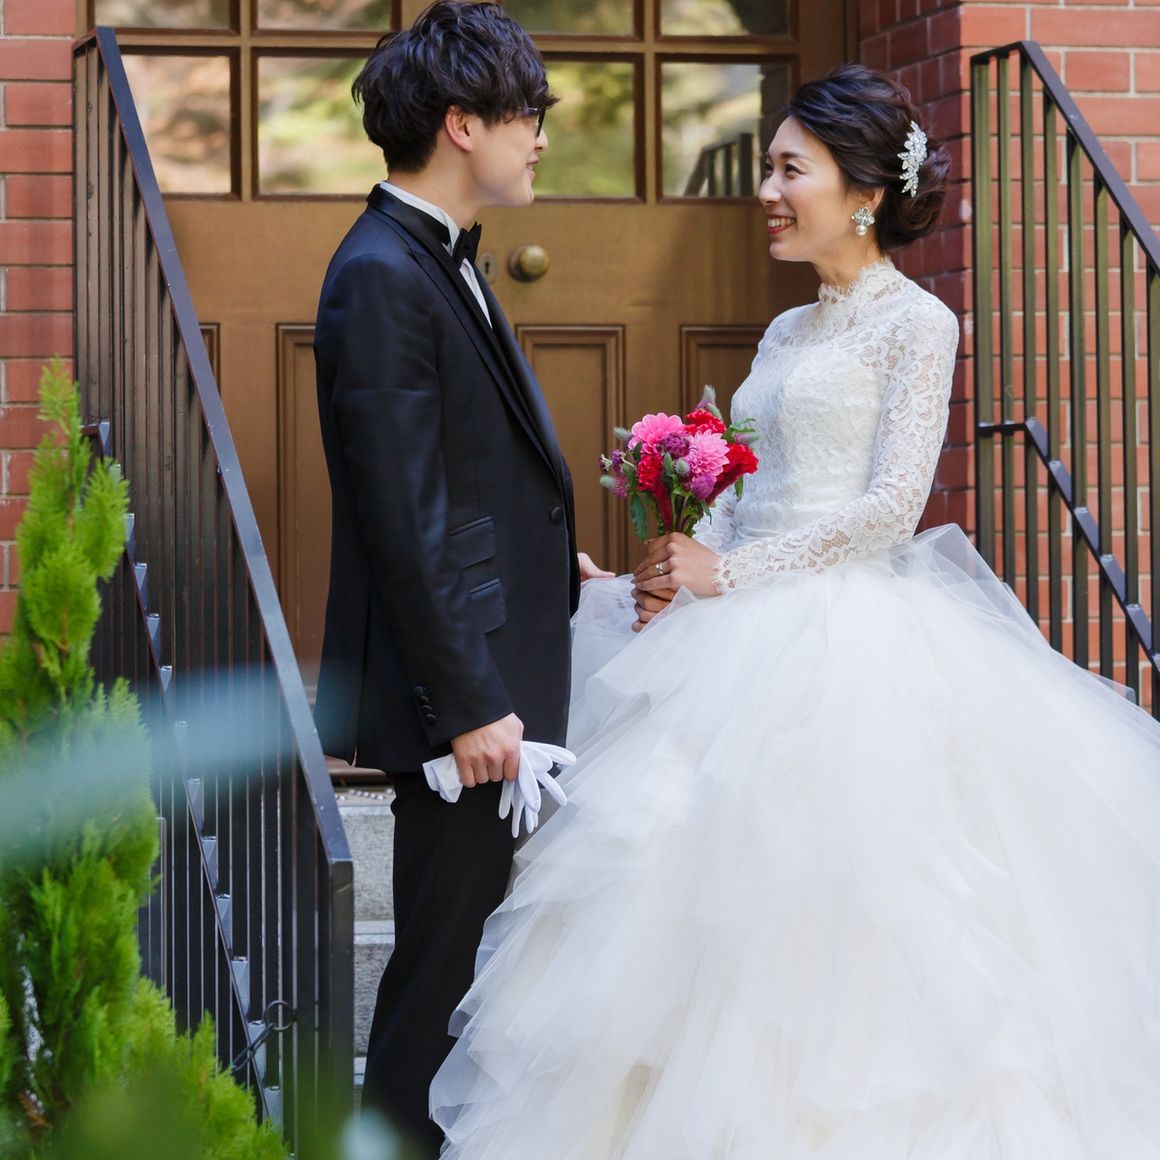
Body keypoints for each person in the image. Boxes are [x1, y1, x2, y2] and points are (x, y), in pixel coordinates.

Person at [429, 64, 1160, 1157]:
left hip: (847, 643)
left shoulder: (917, 323)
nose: (766, 191)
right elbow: (747, 494)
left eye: (788, 170)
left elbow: (890, 506)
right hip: (735, 628)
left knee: (844, 909)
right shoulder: (782, 334)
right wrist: (663, 570)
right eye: (767, 168)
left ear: (863, 191)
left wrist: (733, 574)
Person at [312, 3, 609, 1151]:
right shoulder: (381, 272)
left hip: (491, 671)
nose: (539, 137)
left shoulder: (437, 255)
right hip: (465, 704)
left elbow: (460, 477)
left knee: (467, 965)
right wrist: (470, 702)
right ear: (460, 123)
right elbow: (399, 512)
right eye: (526, 114)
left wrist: (548, 560)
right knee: (436, 983)